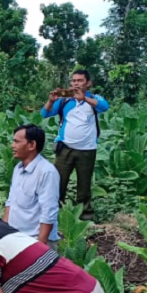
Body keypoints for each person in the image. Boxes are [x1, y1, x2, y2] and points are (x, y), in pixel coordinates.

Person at [41, 69, 109, 220]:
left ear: (88, 83)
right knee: (59, 182)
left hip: (87, 149)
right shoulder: (65, 99)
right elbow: (45, 113)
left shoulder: (93, 98)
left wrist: (84, 98)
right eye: (74, 81)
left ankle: (86, 217)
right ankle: (54, 215)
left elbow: (104, 106)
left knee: (84, 185)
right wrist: (51, 100)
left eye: (80, 80)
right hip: (65, 147)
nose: (76, 83)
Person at [4, 125, 60, 250]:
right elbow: (10, 202)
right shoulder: (17, 169)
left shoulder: (46, 172)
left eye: (17, 142)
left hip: (35, 241)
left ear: (31, 145)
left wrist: (40, 245)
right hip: (16, 238)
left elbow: (49, 211)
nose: (13, 146)